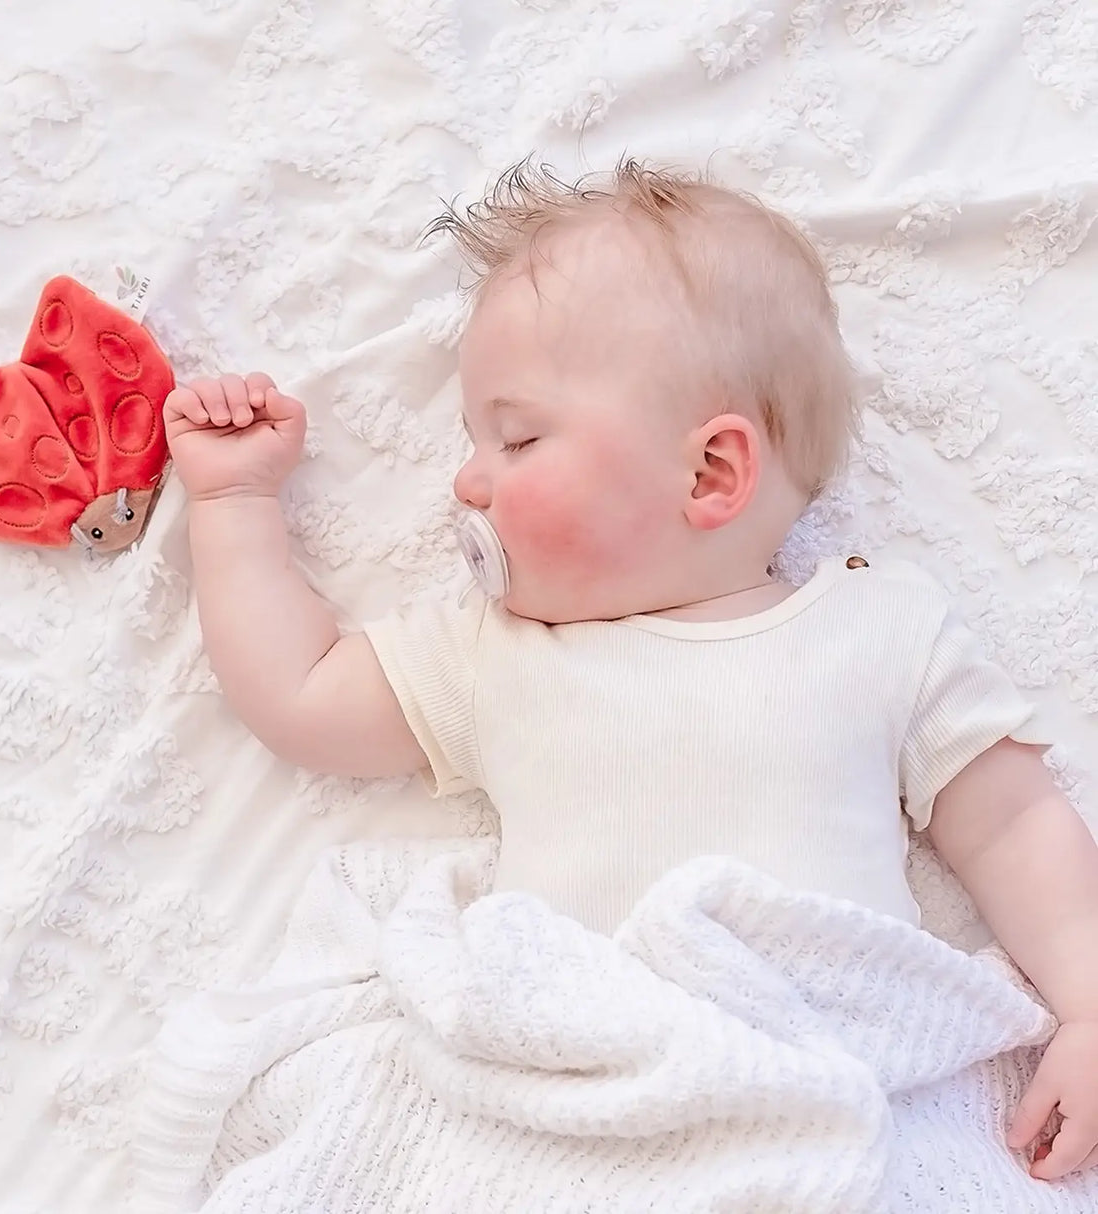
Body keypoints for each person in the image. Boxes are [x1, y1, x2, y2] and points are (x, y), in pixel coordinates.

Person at [163, 159, 1098, 1180]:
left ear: (708, 472)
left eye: (514, 435)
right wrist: (233, 506)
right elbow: (300, 693)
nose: (466, 478)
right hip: (576, 1101)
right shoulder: (496, 651)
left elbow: (1012, 821)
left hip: (821, 1067)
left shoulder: (879, 630)